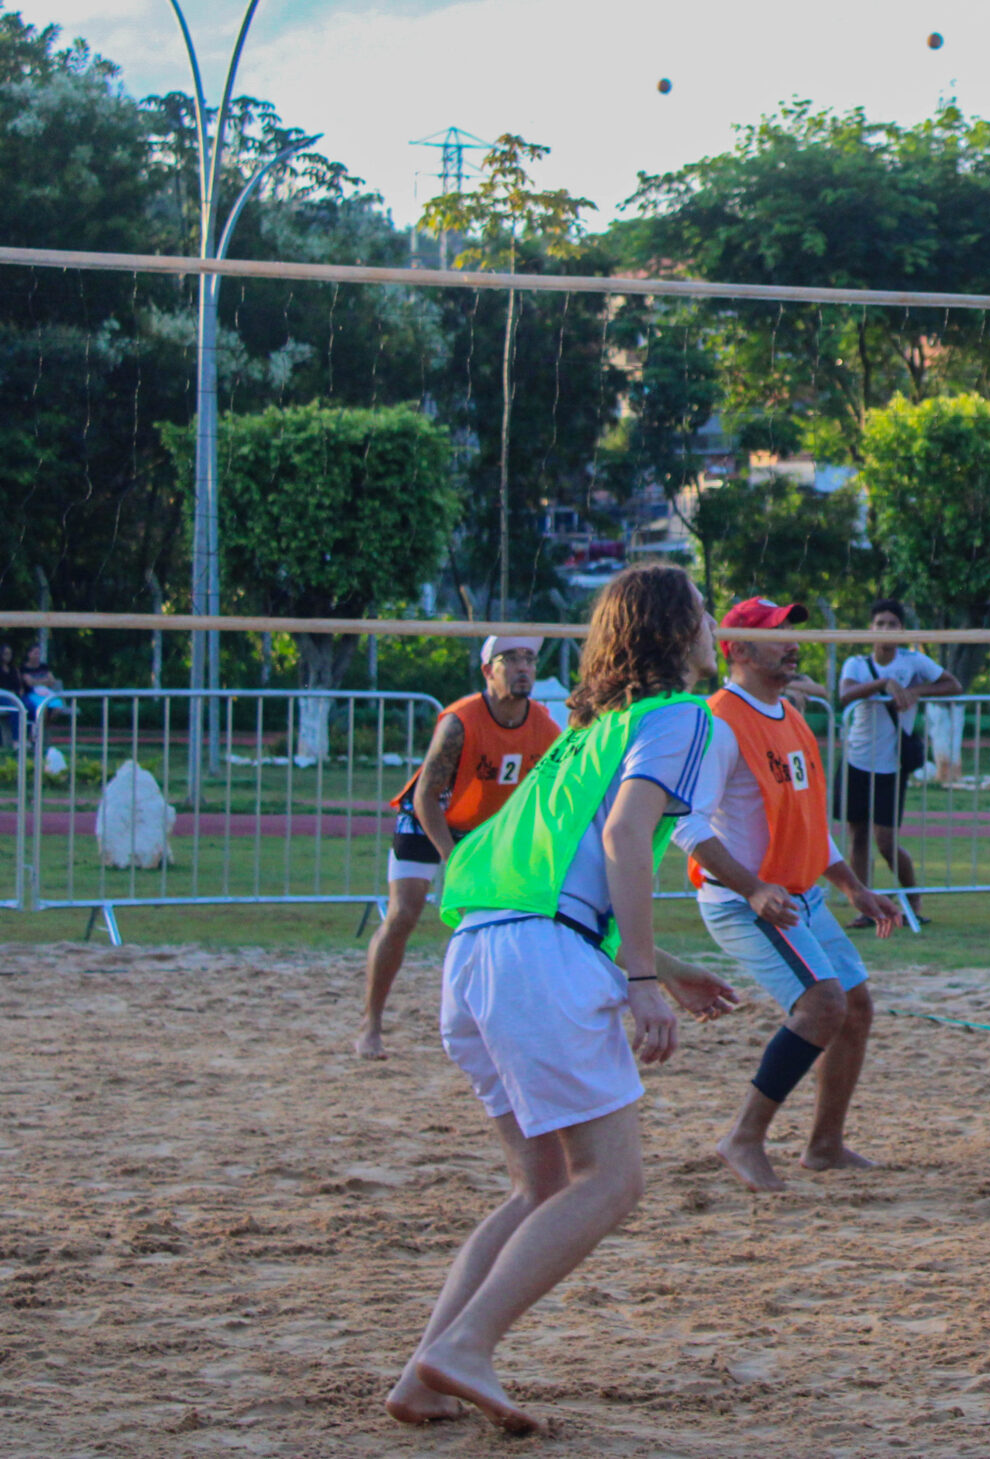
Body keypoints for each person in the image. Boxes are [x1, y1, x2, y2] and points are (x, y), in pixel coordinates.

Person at [390, 565, 742, 1432]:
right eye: (700, 610)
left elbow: (569, 868)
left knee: (539, 1181)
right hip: (542, 959)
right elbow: (625, 838)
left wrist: (661, 962)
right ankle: (466, 1344)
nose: (711, 625)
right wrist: (642, 982)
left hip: (479, 955)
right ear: (674, 631)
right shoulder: (684, 718)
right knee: (610, 1180)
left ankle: (423, 1375)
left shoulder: (587, 729)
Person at [679, 598, 906, 1192]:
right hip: (743, 900)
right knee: (822, 1006)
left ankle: (824, 1146)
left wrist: (853, 886)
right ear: (738, 648)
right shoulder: (719, 720)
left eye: (790, 631)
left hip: (796, 896)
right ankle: (743, 1137)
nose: (792, 642)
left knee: (854, 1008)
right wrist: (752, 889)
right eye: (778, 633)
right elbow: (688, 826)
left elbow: (807, 825)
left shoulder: (790, 715)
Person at [355, 637, 563, 1059]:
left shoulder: (544, 725)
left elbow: (551, 793)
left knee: (501, 926)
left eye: (530, 659)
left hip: (482, 829)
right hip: (428, 818)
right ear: (488, 671)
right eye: (511, 660)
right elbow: (425, 797)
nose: (524, 667)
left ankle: (499, 1026)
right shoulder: (460, 721)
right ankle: (370, 1026)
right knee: (403, 914)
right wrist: (454, 858)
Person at [835, 599, 960, 910]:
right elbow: (845, 694)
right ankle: (863, 906)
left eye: (892, 624)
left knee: (886, 842)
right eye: (879, 624)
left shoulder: (913, 661)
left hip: (891, 765)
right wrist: (883, 684)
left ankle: (912, 899)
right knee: (857, 836)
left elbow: (953, 685)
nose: (885, 629)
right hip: (857, 761)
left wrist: (915, 691)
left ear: (902, 630)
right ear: (870, 629)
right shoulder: (857, 663)